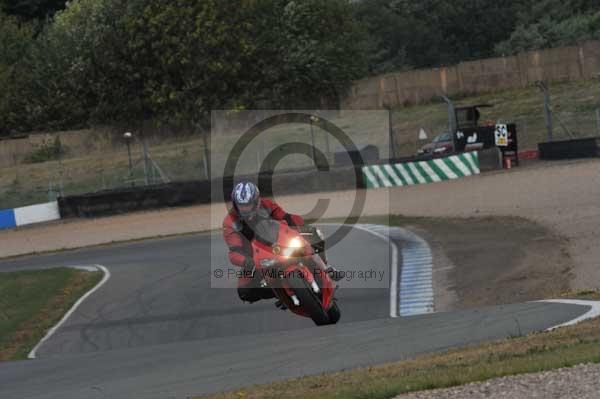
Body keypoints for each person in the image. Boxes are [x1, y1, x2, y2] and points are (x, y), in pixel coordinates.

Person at [222, 181, 341, 307]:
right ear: (235, 204)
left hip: (279, 241)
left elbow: (286, 216)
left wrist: (299, 227)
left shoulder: (266, 204)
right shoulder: (229, 222)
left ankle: (326, 269)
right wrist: (247, 261)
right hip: (255, 255)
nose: (245, 208)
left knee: (312, 233)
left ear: (256, 201)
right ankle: (281, 294)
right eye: (241, 205)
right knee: (245, 291)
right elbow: (235, 250)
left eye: (248, 204)